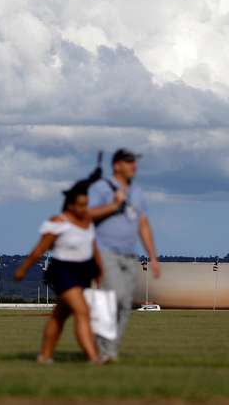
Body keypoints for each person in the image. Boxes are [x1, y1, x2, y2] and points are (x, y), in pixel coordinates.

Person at [14, 179, 105, 364]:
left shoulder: (88, 222)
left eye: (86, 205)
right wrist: (23, 269)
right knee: (82, 311)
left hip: (83, 272)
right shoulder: (58, 222)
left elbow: (93, 248)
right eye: (80, 205)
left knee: (59, 315)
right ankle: (93, 357)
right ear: (70, 205)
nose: (83, 209)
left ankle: (44, 356)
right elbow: (40, 249)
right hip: (63, 271)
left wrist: (100, 271)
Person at [88, 148, 160, 361]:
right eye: (129, 162)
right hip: (105, 251)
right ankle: (104, 350)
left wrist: (153, 257)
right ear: (117, 165)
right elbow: (88, 214)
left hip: (129, 255)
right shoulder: (101, 188)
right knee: (114, 297)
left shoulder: (137, 192)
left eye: (135, 162)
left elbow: (143, 224)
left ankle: (109, 350)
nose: (134, 167)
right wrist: (114, 205)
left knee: (125, 304)